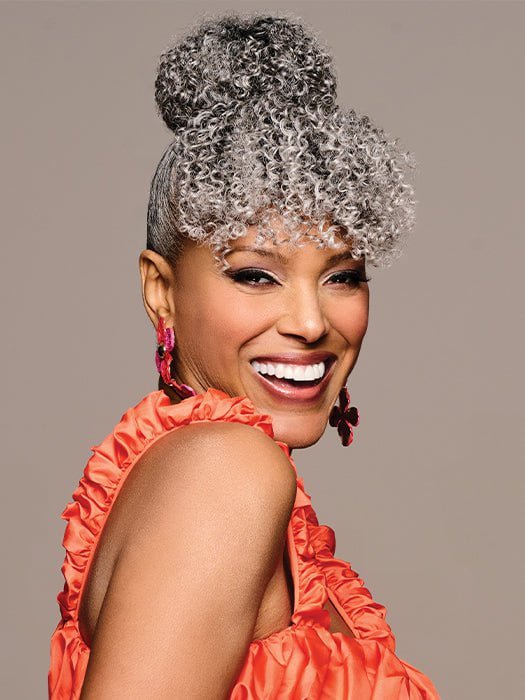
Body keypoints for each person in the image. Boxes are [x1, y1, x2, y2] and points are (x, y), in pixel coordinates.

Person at [48, 12, 440, 699]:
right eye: (256, 275)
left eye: (342, 276)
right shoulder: (223, 472)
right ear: (161, 291)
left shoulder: (195, 468)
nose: (312, 322)